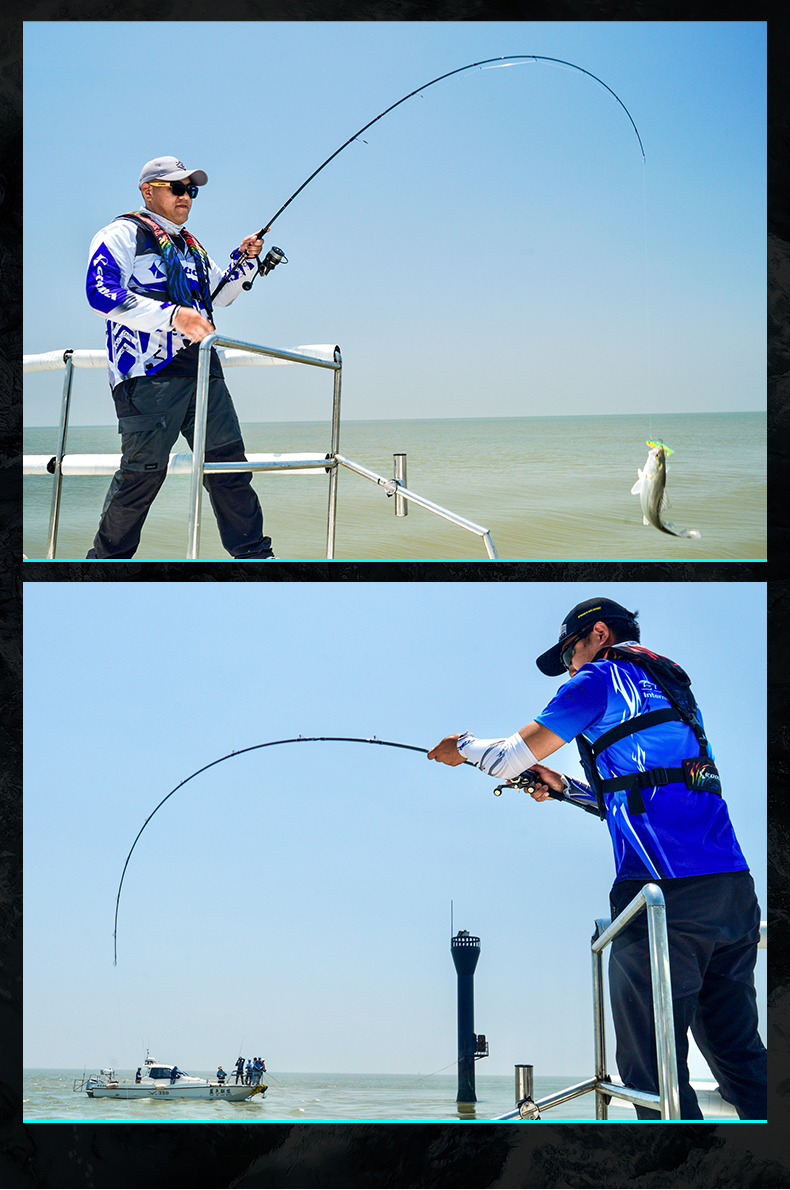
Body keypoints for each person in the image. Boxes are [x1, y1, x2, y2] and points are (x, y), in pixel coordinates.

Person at [428, 596, 767, 1121]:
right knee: (738, 1053)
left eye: (571, 650)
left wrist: (461, 746)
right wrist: (565, 788)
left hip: (663, 896)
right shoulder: (671, 688)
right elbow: (644, 792)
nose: (569, 666)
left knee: (650, 1066)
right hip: (732, 895)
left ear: (600, 634)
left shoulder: (599, 680)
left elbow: (505, 758)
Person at [85, 156, 276, 559]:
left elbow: (218, 295)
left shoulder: (191, 247)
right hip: (147, 376)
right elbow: (100, 293)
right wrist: (173, 315)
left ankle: (256, 559)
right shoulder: (121, 233)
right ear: (148, 191)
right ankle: (105, 564)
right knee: (142, 477)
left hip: (205, 371)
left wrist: (245, 262)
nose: (186, 196)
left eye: (191, 189)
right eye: (176, 188)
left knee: (229, 470)